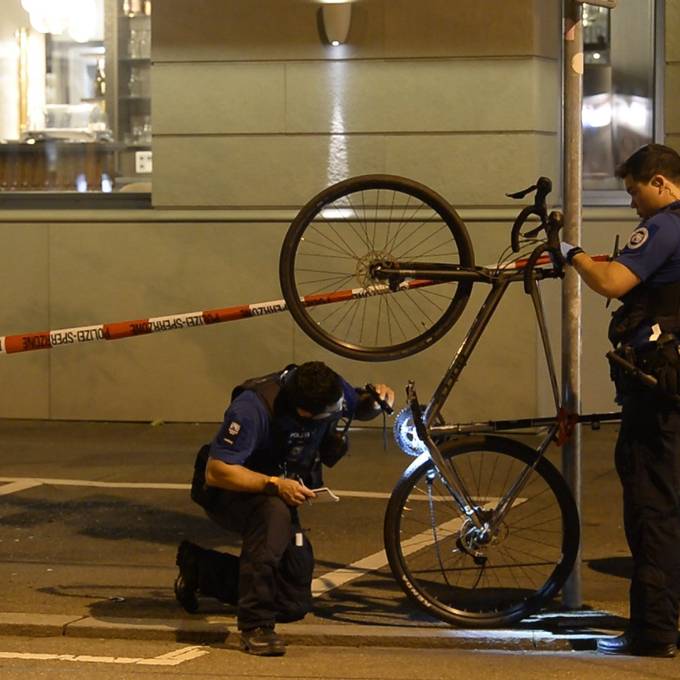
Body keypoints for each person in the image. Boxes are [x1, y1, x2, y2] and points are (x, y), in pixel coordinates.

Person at [173, 361, 395, 656]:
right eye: (322, 418)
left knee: (293, 600)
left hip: (280, 490)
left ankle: (200, 570)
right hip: (230, 490)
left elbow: (358, 407)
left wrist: (377, 401)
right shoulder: (252, 408)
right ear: (301, 411)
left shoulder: (330, 389)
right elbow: (218, 470)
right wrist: (275, 484)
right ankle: (256, 626)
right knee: (271, 522)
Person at [561, 143, 680, 658]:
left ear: (659, 183)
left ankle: (652, 633)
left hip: (659, 401)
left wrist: (570, 253)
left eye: (634, 192)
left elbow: (611, 280)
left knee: (653, 511)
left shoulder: (665, 226)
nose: (633, 204)